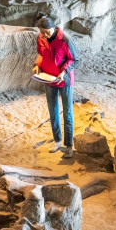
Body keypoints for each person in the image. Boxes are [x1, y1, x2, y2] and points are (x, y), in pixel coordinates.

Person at [32, 15, 81, 158]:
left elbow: (75, 59)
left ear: (53, 28)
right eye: (42, 32)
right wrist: (37, 66)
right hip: (49, 79)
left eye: (47, 32)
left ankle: (69, 145)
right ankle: (57, 140)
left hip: (63, 80)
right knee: (53, 112)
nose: (44, 35)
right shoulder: (41, 38)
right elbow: (41, 55)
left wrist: (63, 71)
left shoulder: (65, 39)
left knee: (67, 112)